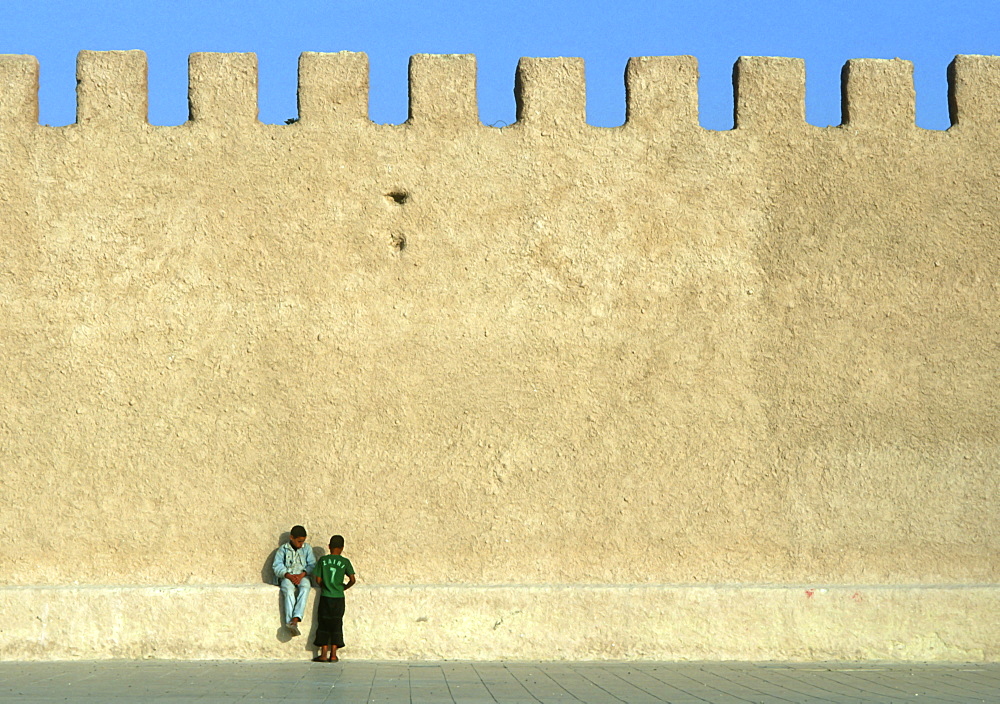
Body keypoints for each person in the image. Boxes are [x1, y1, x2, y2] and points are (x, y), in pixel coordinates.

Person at [312, 534, 356, 662]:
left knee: (323, 623)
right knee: (337, 623)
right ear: (342, 548)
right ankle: (334, 654)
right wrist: (344, 587)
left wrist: (324, 586)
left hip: (326, 596)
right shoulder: (345, 562)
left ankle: (324, 654)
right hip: (338, 598)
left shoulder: (323, 560)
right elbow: (353, 579)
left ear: (329, 547)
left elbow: (318, 579)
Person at [272, 525, 316, 636]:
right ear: (292, 538)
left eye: (303, 542)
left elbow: (312, 564)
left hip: (302, 576)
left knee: (306, 587)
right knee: (288, 590)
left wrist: (302, 575)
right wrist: (288, 575)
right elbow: (277, 566)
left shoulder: (307, 549)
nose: (301, 544)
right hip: (287, 577)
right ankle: (290, 622)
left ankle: (296, 618)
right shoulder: (283, 549)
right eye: (299, 541)